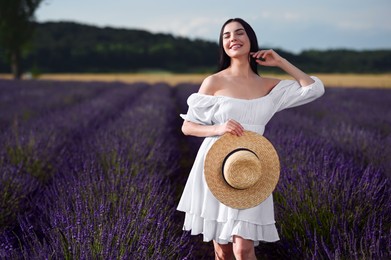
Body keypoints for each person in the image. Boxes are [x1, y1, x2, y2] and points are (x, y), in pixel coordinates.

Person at [177, 18, 325, 260]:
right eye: (226, 35)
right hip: (217, 165)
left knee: (243, 249)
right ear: (222, 44)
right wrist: (218, 128)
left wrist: (280, 62)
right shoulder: (214, 82)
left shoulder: (270, 86)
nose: (233, 38)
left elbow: (314, 89)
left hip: (253, 167)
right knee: (223, 251)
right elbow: (187, 127)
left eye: (239, 33)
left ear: (250, 40)